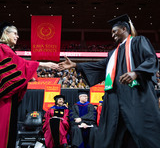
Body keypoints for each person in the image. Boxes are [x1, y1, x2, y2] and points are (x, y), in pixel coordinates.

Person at [58, 14, 160, 148]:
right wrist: (76, 65)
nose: (112, 35)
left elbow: (151, 59)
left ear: (124, 28)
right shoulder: (113, 54)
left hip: (136, 95)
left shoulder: (139, 41)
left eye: (114, 31)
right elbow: (99, 65)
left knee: (141, 131)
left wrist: (136, 73)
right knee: (113, 133)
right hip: (114, 99)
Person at [0, 22, 59, 148]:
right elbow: (19, 64)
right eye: (15, 33)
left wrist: (26, 77)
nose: (17, 36)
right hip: (5, 100)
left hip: (9, 98)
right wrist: (43, 64)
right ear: (5, 33)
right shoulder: (2, 48)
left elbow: (15, 69)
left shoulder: (7, 49)